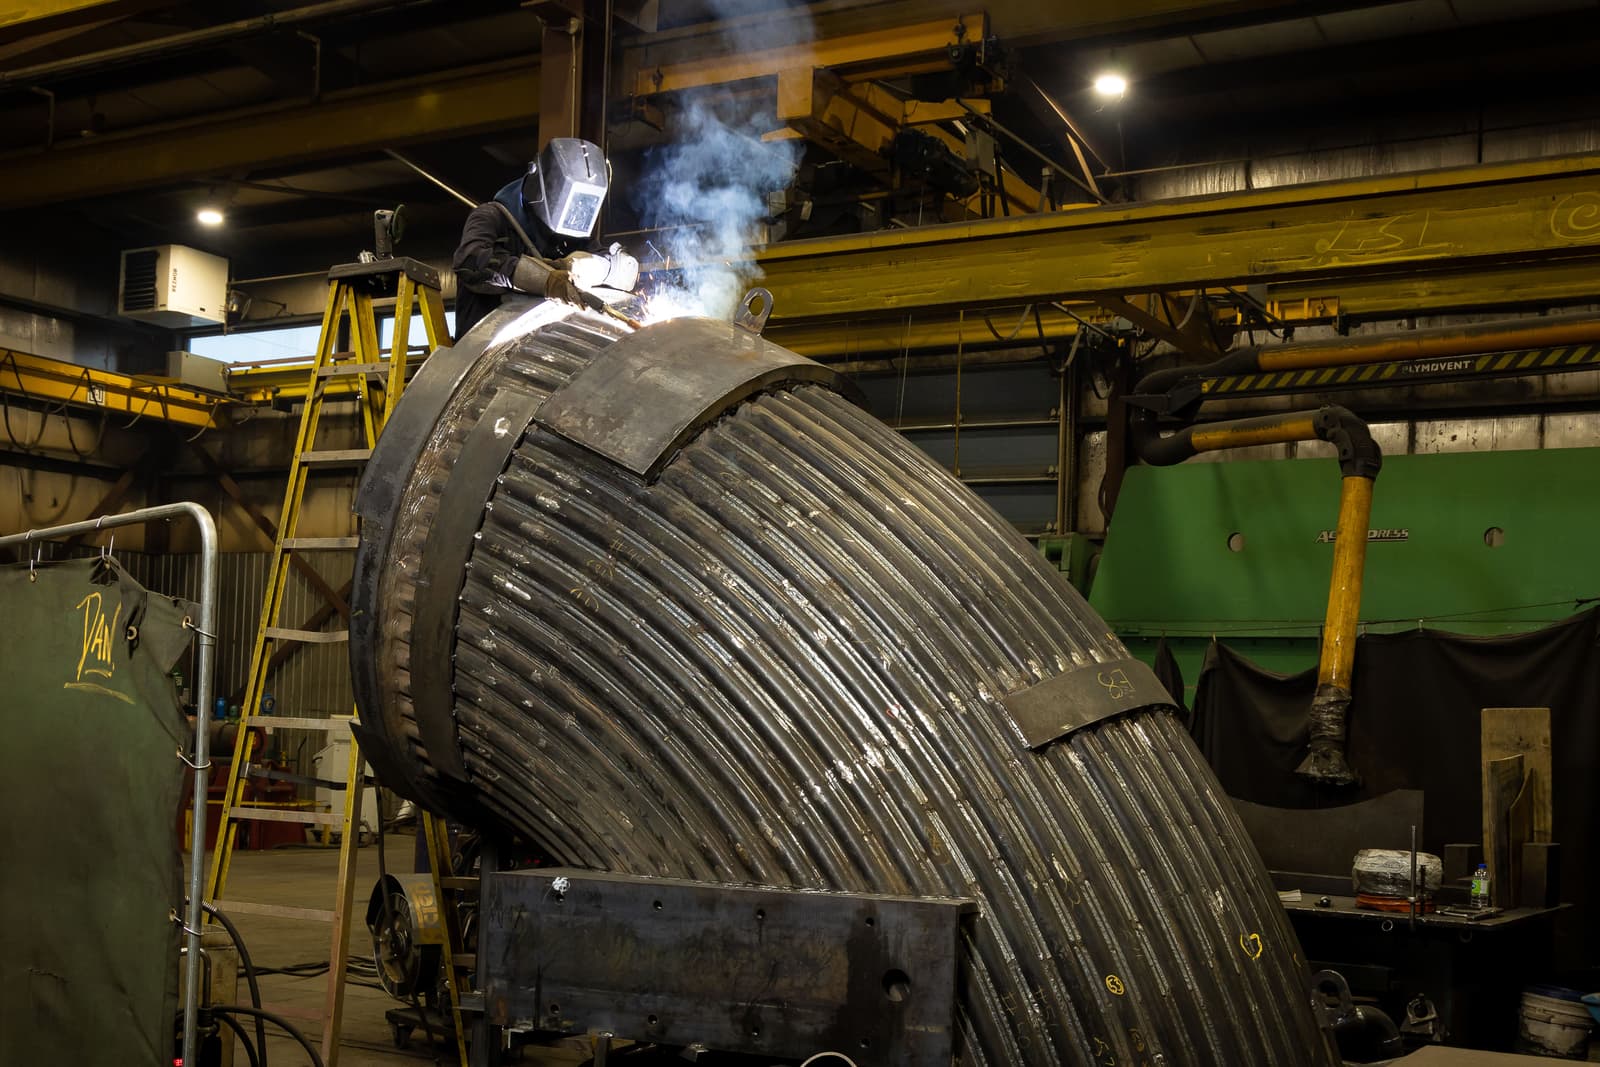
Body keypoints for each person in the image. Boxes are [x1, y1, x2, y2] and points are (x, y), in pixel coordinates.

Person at [452, 137, 614, 340]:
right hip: (482, 347)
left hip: (544, 348)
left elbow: (621, 267)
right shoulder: (492, 216)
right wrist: (544, 281)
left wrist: (587, 268)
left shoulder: (571, 236)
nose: (574, 214)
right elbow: (470, 261)